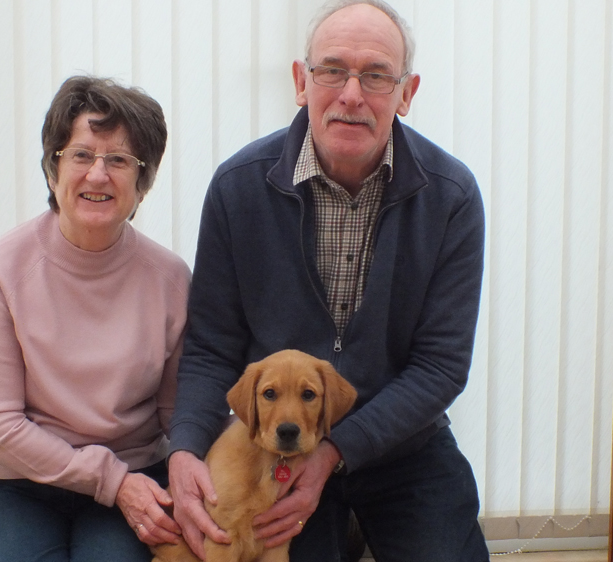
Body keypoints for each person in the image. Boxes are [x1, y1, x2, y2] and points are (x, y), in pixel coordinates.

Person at [167, 1, 490, 561]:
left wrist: (336, 449)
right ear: (301, 81)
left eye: (376, 75)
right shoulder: (237, 189)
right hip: (274, 451)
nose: (351, 94)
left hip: (402, 446)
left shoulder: (452, 198)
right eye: (332, 70)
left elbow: (440, 366)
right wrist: (186, 450)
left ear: (407, 93)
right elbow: (210, 347)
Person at [0, 75, 190, 562]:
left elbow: (176, 412)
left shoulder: (170, 278)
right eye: (81, 155)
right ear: (51, 170)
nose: (98, 175)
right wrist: (112, 481)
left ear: (142, 184)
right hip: (14, 482)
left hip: (135, 472)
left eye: (120, 160)